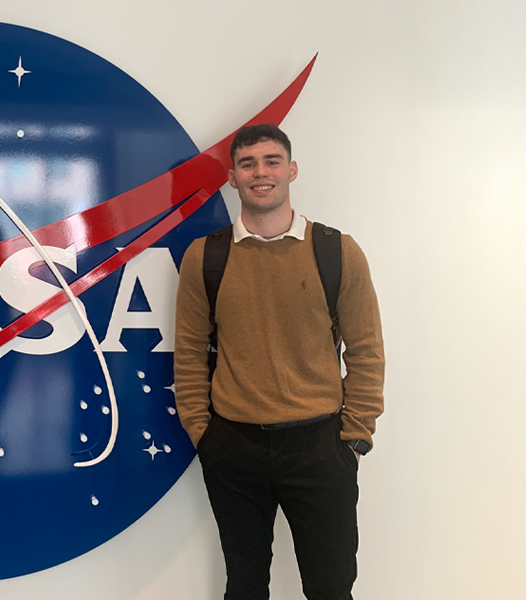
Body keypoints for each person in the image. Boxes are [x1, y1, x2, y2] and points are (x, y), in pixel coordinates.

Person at [174, 123, 384, 600]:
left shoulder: (337, 251)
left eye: (271, 161)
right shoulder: (205, 257)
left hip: (321, 446)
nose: (260, 173)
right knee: (245, 587)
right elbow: (188, 350)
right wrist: (202, 432)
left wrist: (355, 437)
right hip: (233, 444)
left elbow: (366, 348)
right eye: (247, 164)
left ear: (291, 170)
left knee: (331, 588)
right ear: (233, 177)